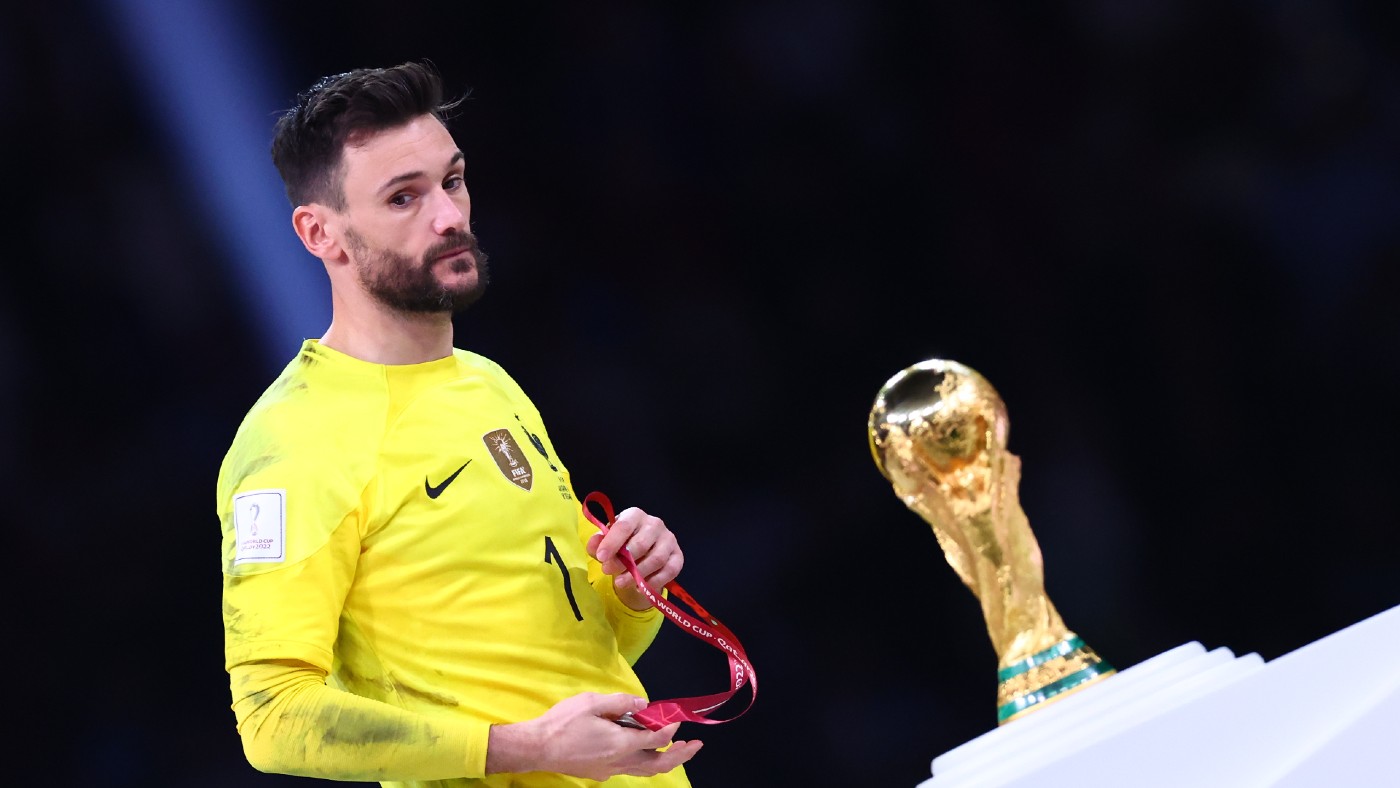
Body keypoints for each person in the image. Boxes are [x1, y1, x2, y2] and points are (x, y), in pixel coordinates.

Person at [215, 60, 701, 787]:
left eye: (452, 181)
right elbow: (272, 717)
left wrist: (632, 592)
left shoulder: (486, 381)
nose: (448, 217)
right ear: (321, 233)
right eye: (403, 197)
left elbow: (575, 654)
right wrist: (526, 749)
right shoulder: (293, 442)